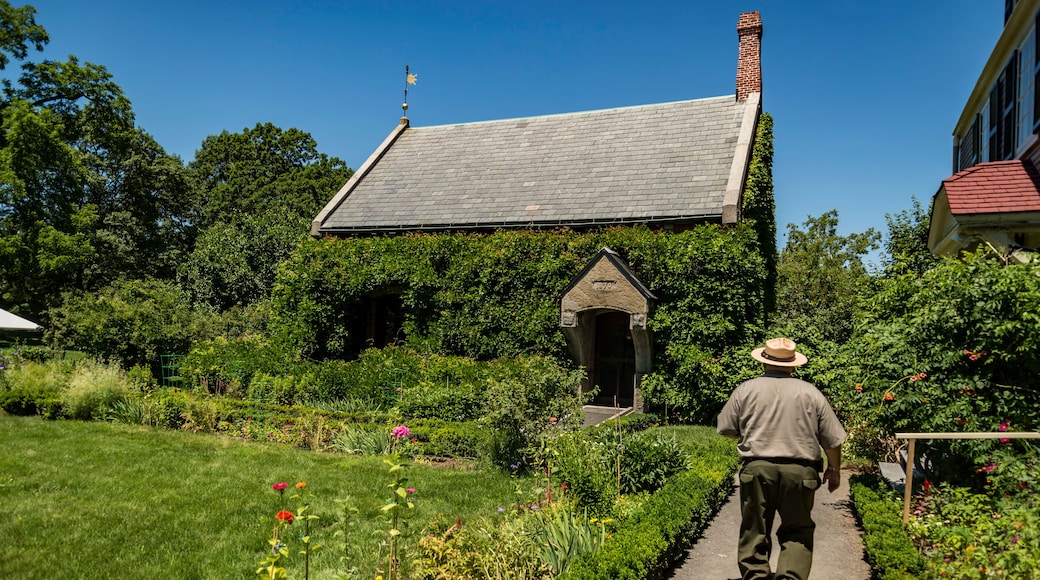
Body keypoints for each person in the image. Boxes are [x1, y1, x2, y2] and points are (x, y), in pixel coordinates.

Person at [716, 337, 847, 580]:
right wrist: (834, 469)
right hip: (801, 472)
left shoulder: (745, 390)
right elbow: (832, 439)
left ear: (764, 362)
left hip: (756, 469)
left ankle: (756, 577)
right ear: (793, 365)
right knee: (797, 531)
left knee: (754, 529)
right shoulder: (811, 393)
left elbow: (725, 428)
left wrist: (749, 432)